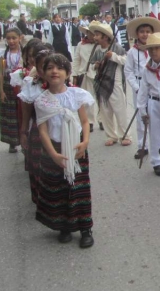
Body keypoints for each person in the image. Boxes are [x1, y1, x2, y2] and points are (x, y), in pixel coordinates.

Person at [34, 53, 95, 248]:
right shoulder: (42, 101)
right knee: (59, 189)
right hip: (56, 149)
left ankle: (85, 228)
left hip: (76, 148)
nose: (55, 71)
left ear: (67, 73)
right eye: (50, 67)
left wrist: (85, 142)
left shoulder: (76, 94)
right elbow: (42, 130)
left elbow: (84, 122)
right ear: (43, 73)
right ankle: (64, 226)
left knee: (79, 189)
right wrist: (52, 154)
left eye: (60, 68)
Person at [125, 17, 160, 159]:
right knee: (142, 116)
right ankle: (143, 146)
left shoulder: (158, 51)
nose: (145, 34)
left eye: (148, 31)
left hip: (155, 87)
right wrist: (136, 87)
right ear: (137, 34)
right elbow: (128, 71)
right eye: (142, 31)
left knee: (156, 115)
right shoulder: (132, 52)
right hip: (139, 86)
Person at [18, 44, 53, 204]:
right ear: (37, 70)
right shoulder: (32, 86)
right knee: (40, 168)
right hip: (38, 133)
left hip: (61, 133)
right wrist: (23, 132)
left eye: (53, 66)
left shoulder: (65, 86)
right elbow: (26, 113)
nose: (50, 71)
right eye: (44, 67)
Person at [138, 32, 160, 176]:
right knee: (154, 133)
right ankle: (156, 162)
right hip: (153, 102)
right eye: (150, 49)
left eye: (156, 48)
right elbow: (143, 91)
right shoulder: (146, 69)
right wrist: (142, 111)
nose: (153, 52)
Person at [89, 22, 130, 146]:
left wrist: (113, 56)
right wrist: (96, 65)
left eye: (97, 35)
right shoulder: (96, 49)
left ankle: (125, 135)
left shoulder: (116, 47)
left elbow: (126, 60)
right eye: (95, 35)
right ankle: (111, 135)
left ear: (105, 37)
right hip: (101, 82)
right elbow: (91, 65)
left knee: (119, 110)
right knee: (105, 111)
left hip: (115, 81)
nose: (95, 37)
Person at [0, 27, 23, 153]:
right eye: (9, 38)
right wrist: (1, 91)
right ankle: (12, 142)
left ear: (20, 38)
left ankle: (24, 140)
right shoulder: (3, 54)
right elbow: (1, 73)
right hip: (8, 86)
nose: (11, 41)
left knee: (22, 114)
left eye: (14, 38)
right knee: (10, 115)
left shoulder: (24, 53)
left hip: (22, 86)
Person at [72, 23, 99, 132]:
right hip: (84, 74)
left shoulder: (99, 45)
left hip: (98, 74)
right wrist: (74, 74)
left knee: (100, 99)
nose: (92, 35)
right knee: (87, 99)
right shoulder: (80, 45)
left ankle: (102, 119)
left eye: (94, 33)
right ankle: (90, 121)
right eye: (90, 32)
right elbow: (76, 60)